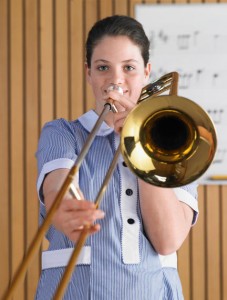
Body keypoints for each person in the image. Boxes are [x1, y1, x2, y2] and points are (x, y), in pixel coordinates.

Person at [35, 15, 198, 300]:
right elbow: (57, 189)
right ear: (88, 73)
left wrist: (139, 142)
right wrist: (65, 209)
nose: (116, 80)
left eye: (129, 68)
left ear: (147, 72)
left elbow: (168, 240)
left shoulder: (174, 143)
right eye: (102, 68)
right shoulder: (62, 133)